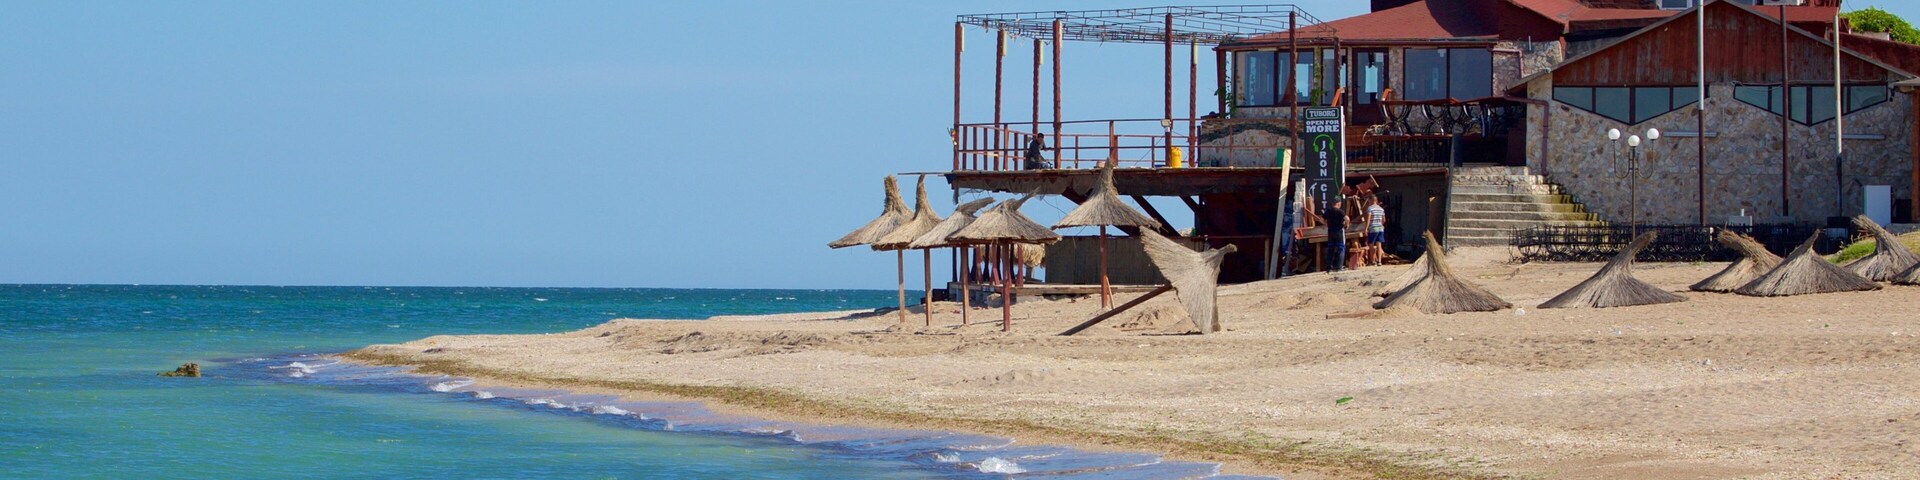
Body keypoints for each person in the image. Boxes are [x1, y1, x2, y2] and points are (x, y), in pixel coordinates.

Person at [1324, 197, 1346, 272]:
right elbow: (1347, 219)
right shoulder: (1340, 211)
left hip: (1330, 231)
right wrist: (1347, 225)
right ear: (1339, 203)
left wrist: (1326, 224)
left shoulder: (1328, 211)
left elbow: (1322, 219)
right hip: (1339, 231)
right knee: (1341, 248)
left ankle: (1329, 267)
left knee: (1330, 249)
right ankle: (1338, 267)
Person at [1366, 196, 1388, 266]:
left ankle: (1373, 261)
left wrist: (1366, 228)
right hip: (1380, 228)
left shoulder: (1370, 208)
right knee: (1379, 244)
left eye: (1369, 201)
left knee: (1371, 245)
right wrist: (1380, 224)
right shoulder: (1381, 209)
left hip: (1373, 228)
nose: (1368, 202)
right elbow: (1384, 220)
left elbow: (1368, 219)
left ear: (1372, 200)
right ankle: (1379, 261)